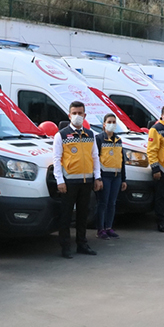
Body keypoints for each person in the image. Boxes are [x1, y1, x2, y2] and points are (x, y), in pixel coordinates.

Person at [53, 101, 102, 258]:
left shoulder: (90, 134)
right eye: (74, 113)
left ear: (85, 115)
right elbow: (56, 159)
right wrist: (59, 180)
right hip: (69, 182)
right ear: (69, 115)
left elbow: (95, 156)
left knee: (83, 215)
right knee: (66, 216)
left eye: (80, 113)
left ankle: (82, 244)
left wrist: (98, 177)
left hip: (86, 181)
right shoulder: (61, 135)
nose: (77, 116)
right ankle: (65, 246)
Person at [95, 113, 127, 239]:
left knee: (112, 203)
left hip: (116, 176)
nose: (112, 124)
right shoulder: (99, 139)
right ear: (104, 124)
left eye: (114, 122)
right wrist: (98, 178)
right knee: (103, 203)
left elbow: (122, 160)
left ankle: (109, 227)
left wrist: (124, 179)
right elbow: (96, 158)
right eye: (110, 122)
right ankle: (100, 229)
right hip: (105, 176)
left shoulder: (118, 140)